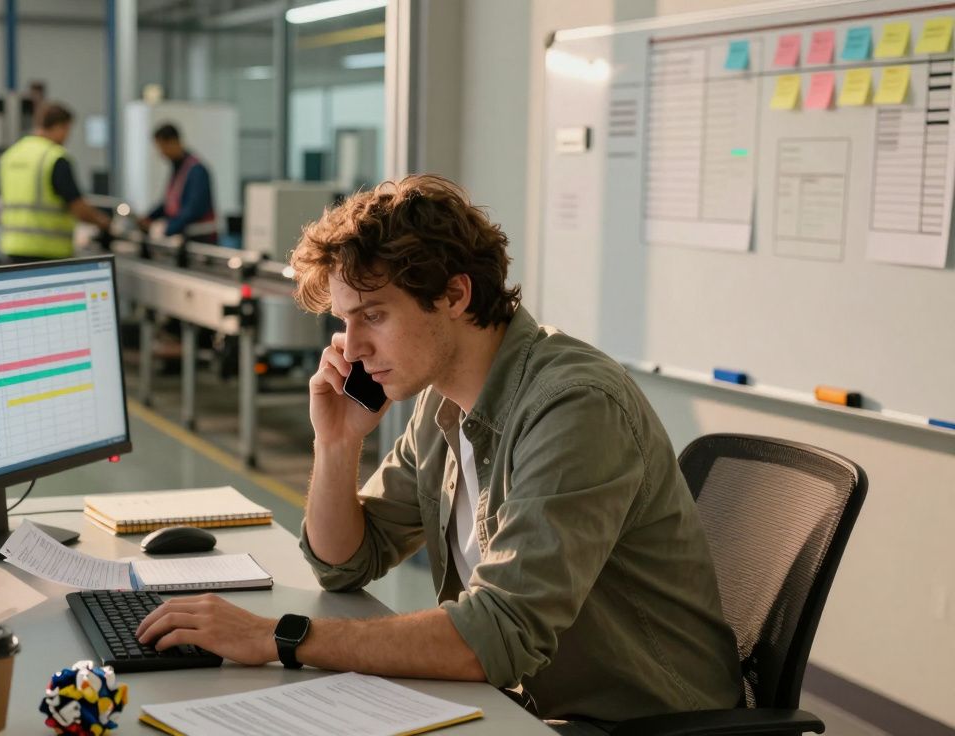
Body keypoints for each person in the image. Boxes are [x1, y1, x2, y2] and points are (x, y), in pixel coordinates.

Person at [135, 175, 743, 734]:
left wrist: (278, 637)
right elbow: (345, 563)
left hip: (631, 722)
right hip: (527, 706)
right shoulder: (444, 402)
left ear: (454, 295)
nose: (354, 347)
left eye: (374, 315)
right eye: (346, 321)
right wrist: (338, 441)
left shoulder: (573, 407)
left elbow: (498, 635)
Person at [0, 102, 111, 262]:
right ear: (59, 127)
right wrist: (104, 223)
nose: (67, 136)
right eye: (67, 130)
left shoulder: (11, 154)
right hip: (48, 252)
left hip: (12, 247)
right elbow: (78, 207)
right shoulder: (55, 157)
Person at [138, 123, 217, 243]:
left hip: (200, 239)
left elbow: (193, 209)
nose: (161, 153)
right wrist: (149, 217)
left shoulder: (196, 170)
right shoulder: (178, 168)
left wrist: (166, 229)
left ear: (173, 142)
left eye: (162, 147)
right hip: (185, 237)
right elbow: (170, 203)